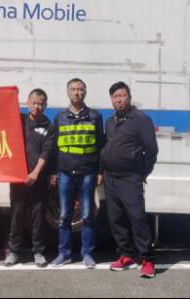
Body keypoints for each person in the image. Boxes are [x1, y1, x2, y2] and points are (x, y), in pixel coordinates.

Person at [101, 81, 158, 279]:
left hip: (130, 178)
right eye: (115, 97)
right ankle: (126, 255)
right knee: (116, 219)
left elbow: (152, 150)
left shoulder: (141, 120)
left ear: (129, 97)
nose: (119, 100)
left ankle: (147, 259)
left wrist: (142, 173)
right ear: (111, 100)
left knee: (137, 218)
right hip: (111, 178)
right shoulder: (110, 121)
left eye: (122, 96)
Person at [51, 78, 103, 269]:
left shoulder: (95, 116)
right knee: (64, 215)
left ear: (85, 92)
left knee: (88, 215)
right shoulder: (59, 117)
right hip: (65, 172)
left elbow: (101, 145)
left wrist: (100, 171)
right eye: (73, 89)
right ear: (68, 92)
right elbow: (54, 147)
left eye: (80, 89)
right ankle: (63, 254)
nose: (76, 92)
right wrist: (53, 172)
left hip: (88, 172)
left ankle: (87, 254)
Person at [4, 88, 56, 268]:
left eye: (41, 103)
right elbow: (2, 114)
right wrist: (10, 96)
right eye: (34, 102)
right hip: (18, 178)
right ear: (27, 103)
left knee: (38, 217)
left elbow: (46, 152)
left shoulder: (49, 127)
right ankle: (14, 252)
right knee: (16, 216)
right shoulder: (19, 120)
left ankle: (38, 252)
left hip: (38, 179)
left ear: (46, 105)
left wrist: (35, 173)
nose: (37, 106)